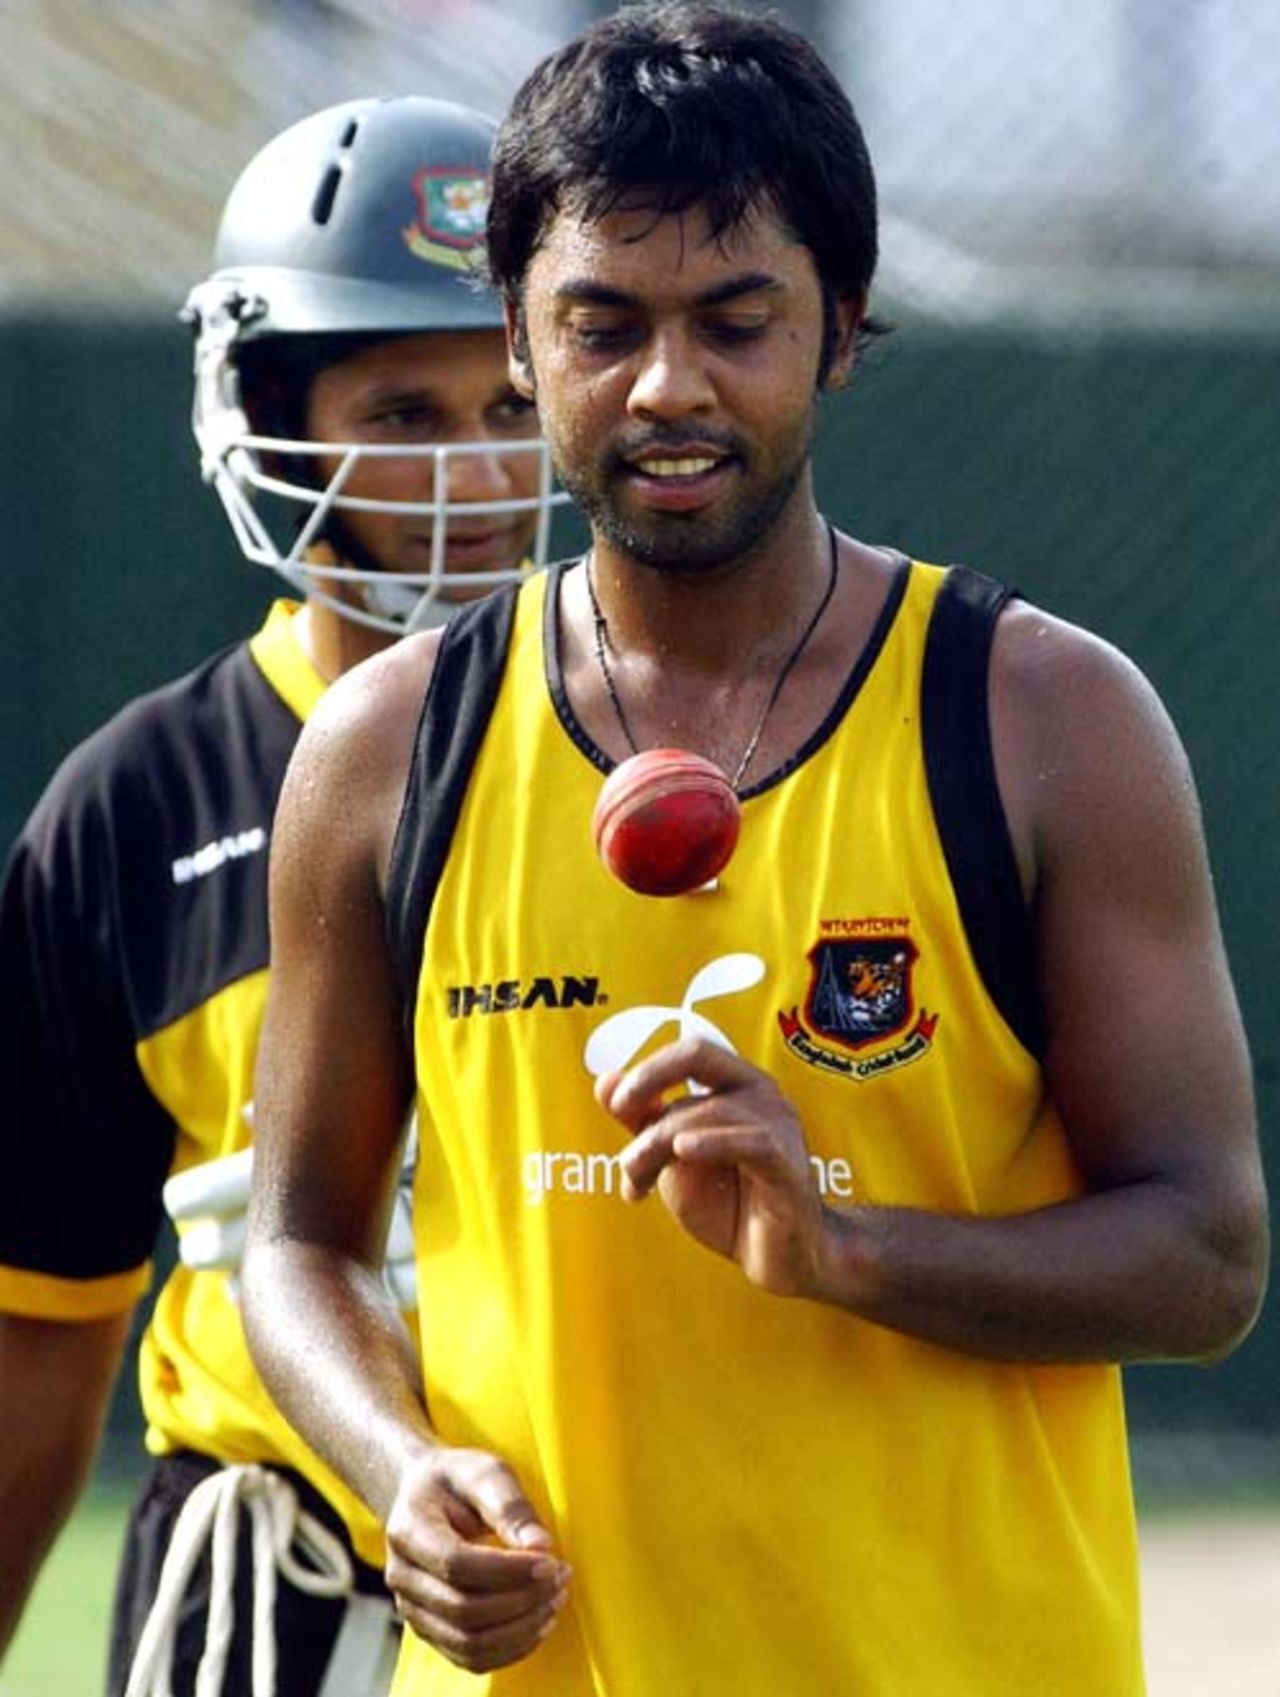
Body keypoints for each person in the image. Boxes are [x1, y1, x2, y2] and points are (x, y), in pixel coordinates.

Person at [238, 6, 1270, 1694]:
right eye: (601, 323)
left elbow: (1207, 1253)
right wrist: (398, 1470)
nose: (668, 385)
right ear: (518, 334)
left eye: (737, 320)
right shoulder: (384, 751)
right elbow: (299, 1243)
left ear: (842, 328)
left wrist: (852, 1245)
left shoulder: (1044, 720)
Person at [0, 94, 563, 1697]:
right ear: (262, 408)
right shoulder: (139, 802)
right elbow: (48, 1308)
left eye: (507, 402)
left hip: (580, 1540)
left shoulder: (658, 750)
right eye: (401, 408)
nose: (472, 470)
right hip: (265, 1577)